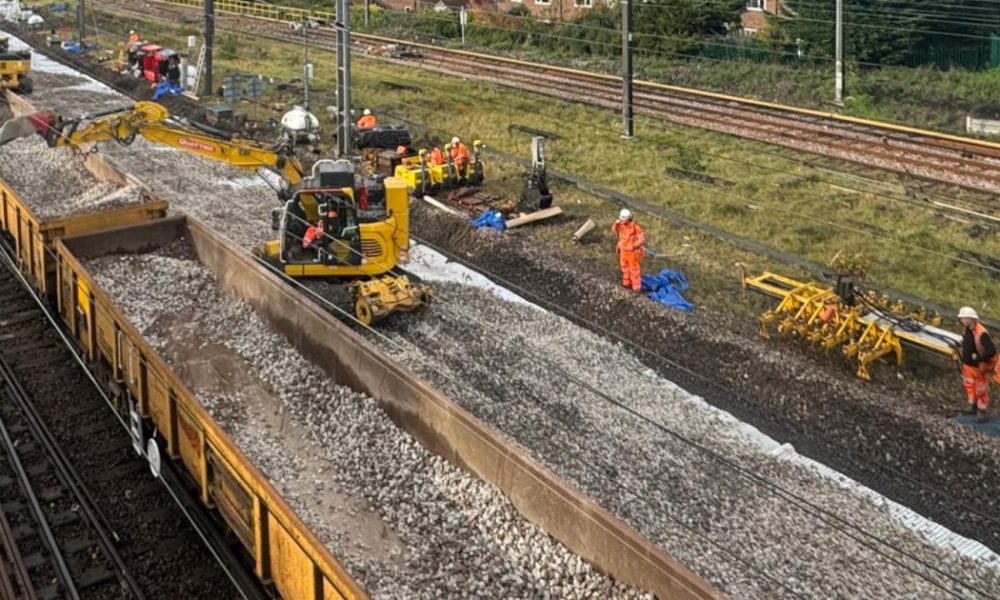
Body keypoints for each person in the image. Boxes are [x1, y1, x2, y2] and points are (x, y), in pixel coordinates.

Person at [958, 306, 998, 423]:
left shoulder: (982, 333)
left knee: (981, 389)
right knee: (969, 386)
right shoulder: (967, 329)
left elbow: (991, 350)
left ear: (969, 319)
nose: (961, 320)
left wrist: (979, 358)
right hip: (967, 366)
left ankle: (982, 411)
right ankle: (972, 406)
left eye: (963, 318)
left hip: (978, 366)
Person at [612, 208, 646, 292]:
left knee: (634, 270)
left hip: (632, 253)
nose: (621, 220)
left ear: (628, 218)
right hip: (623, 251)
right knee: (625, 268)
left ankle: (636, 287)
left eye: (623, 218)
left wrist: (633, 246)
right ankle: (626, 283)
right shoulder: (621, 225)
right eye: (621, 218)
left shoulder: (635, 228)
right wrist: (615, 224)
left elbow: (641, 239)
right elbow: (614, 230)